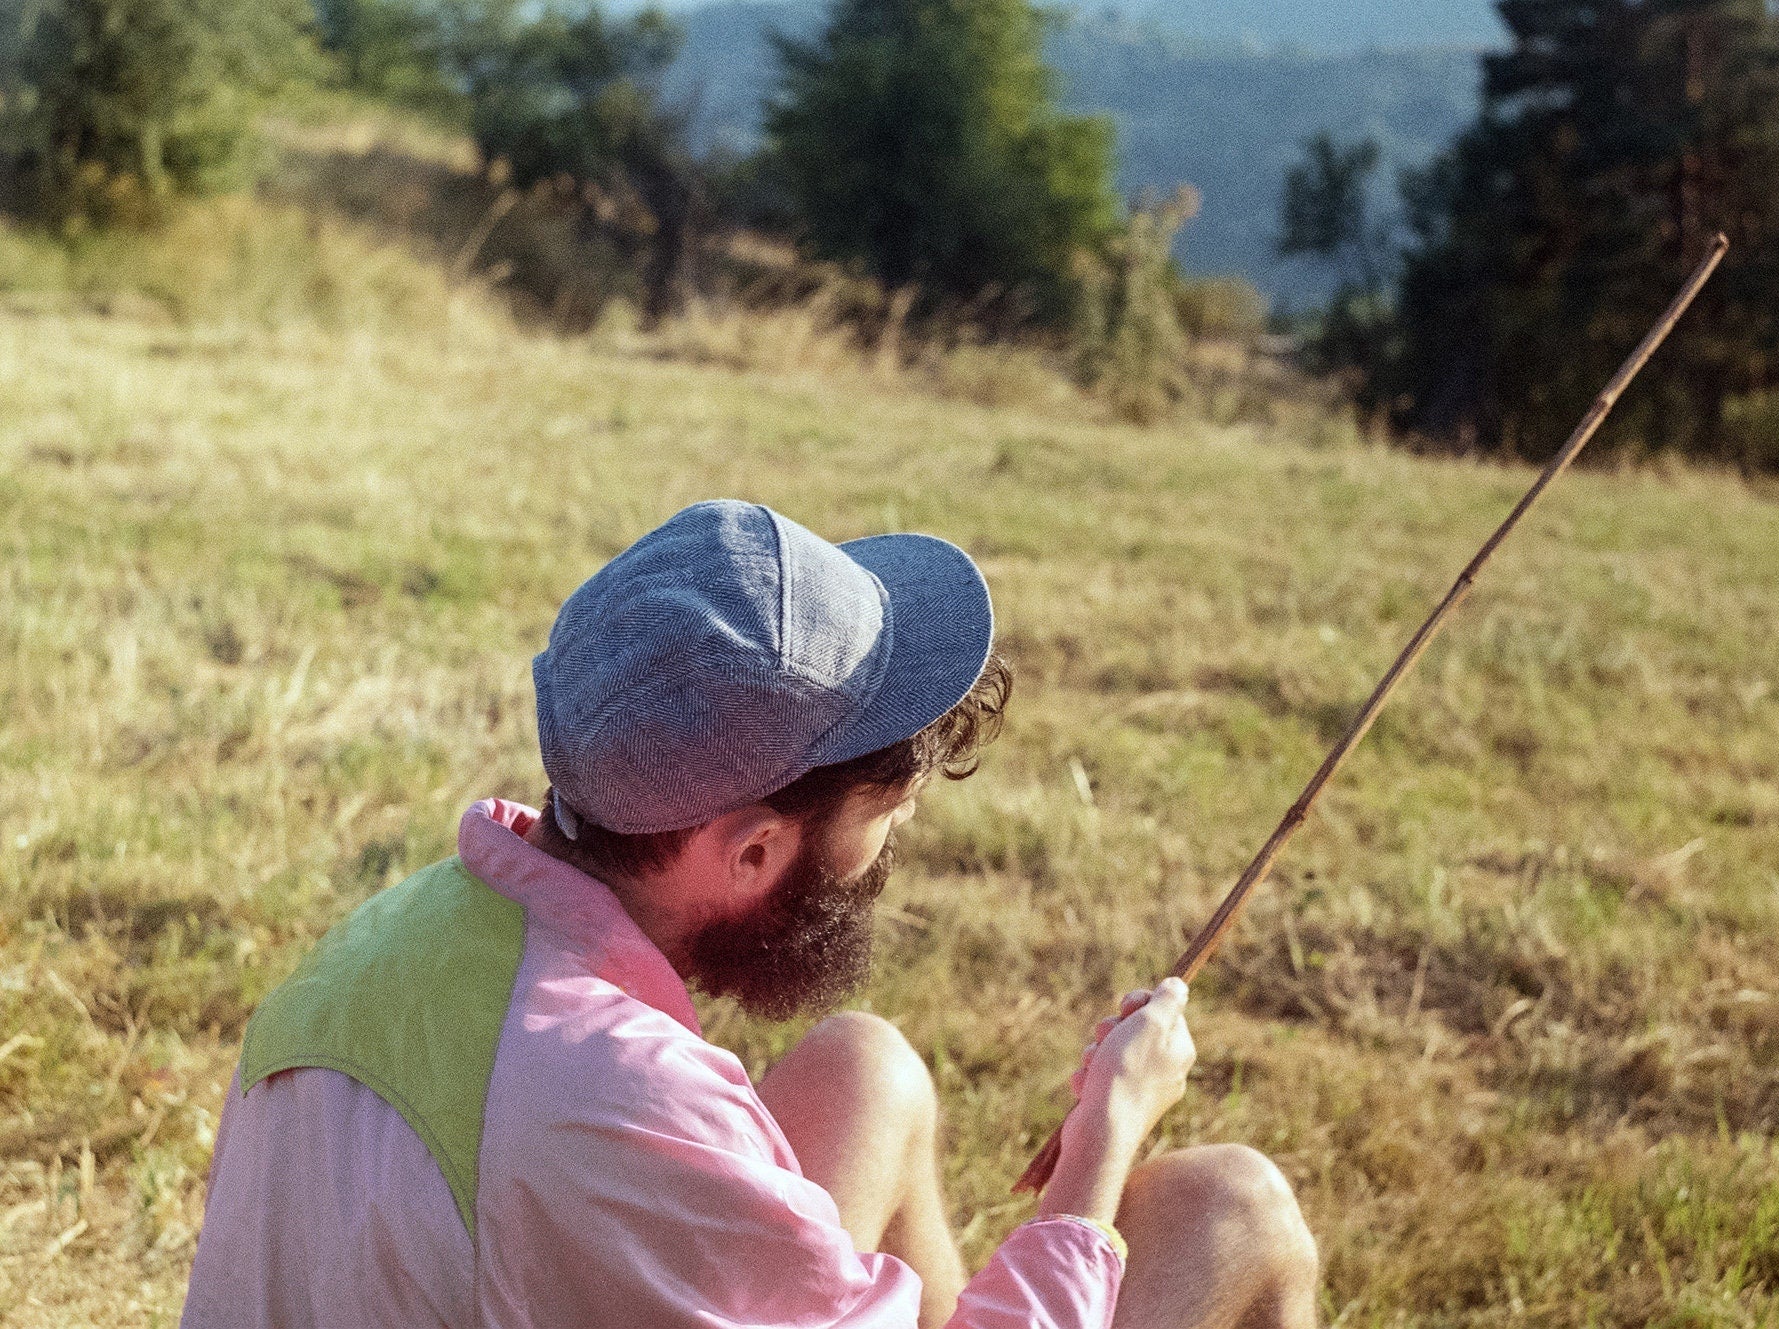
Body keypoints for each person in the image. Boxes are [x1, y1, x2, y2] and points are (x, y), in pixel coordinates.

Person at [180, 500, 1319, 1328]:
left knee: (863, 1070)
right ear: (755, 848)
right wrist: (1109, 1125)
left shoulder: (400, 935)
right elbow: (605, 1143)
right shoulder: (616, 1101)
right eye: (888, 811)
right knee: (1234, 1212)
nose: (895, 846)